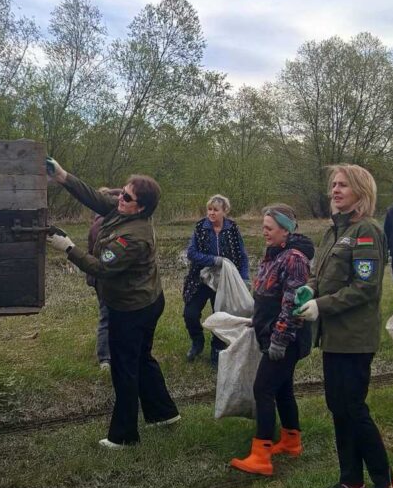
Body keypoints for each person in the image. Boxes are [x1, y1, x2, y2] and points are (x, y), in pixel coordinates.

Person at [44, 158, 180, 448]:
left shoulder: (134, 238)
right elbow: (96, 198)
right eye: (122, 193)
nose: (120, 198)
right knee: (141, 358)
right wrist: (63, 176)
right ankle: (164, 414)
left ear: (141, 207)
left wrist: (68, 247)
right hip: (146, 300)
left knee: (124, 368)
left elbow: (101, 267)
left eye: (127, 197)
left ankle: (124, 436)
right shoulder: (123, 211)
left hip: (133, 309)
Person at [293, 164, 393, 488]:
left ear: (361, 192)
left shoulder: (366, 231)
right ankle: (351, 482)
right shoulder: (333, 231)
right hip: (334, 337)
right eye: (334, 185)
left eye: (343, 185)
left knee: (353, 408)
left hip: (355, 337)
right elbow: (320, 275)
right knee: (338, 407)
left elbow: (365, 287)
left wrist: (321, 305)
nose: (335, 190)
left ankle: (386, 482)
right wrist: (309, 290)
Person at [229, 204, 314, 476]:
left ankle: (261, 455)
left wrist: (279, 338)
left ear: (285, 230)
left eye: (269, 228)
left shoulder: (294, 259)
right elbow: (267, 295)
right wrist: (257, 321)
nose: (263, 232)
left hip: (286, 338)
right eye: (263, 227)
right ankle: (291, 441)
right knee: (282, 388)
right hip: (271, 332)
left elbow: (292, 304)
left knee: (263, 389)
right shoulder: (274, 253)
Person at [182, 195, 250, 365]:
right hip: (201, 278)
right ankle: (197, 342)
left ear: (224, 211)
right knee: (190, 313)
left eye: (216, 210)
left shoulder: (232, 229)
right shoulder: (200, 227)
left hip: (224, 280)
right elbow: (191, 253)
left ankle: (217, 349)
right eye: (209, 209)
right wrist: (214, 260)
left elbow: (242, 255)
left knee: (221, 315)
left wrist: (244, 279)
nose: (211, 213)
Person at [88, 188, 123, 371]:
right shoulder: (103, 224)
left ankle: (111, 352)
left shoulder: (99, 222)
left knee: (110, 315)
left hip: (100, 276)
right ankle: (105, 358)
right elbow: (107, 255)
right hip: (105, 278)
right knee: (107, 316)